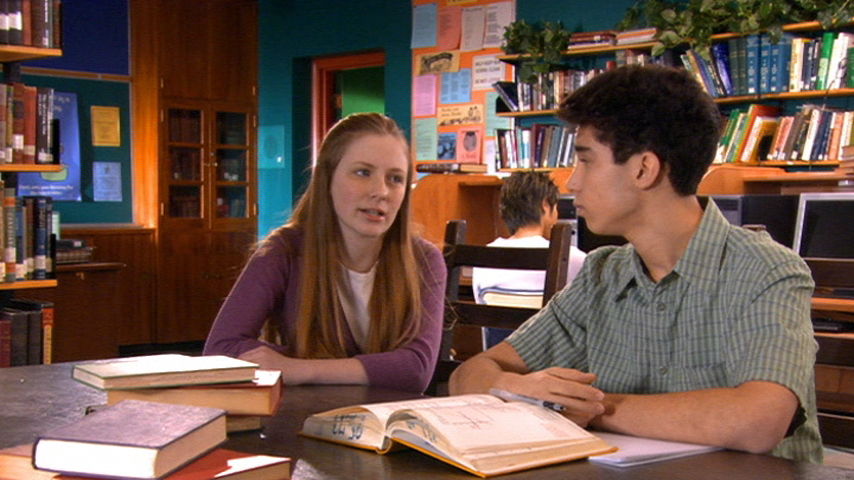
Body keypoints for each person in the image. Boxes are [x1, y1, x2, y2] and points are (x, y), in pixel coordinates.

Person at [449, 65, 822, 462]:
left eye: (587, 161)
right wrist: (516, 388)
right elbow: (468, 375)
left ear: (644, 169)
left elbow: (759, 421)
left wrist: (589, 407)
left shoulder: (766, 270)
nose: (572, 183)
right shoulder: (601, 273)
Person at [204, 113, 447, 393]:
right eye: (363, 172)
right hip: (306, 413)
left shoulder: (424, 260)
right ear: (327, 178)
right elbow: (220, 349)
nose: (381, 191)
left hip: (389, 415)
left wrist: (296, 367)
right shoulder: (285, 250)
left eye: (395, 178)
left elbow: (416, 370)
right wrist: (374, 368)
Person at [471, 170, 587, 348]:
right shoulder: (575, 259)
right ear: (546, 206)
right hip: (549, 362)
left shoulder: (482, 259)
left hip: (497, 361)